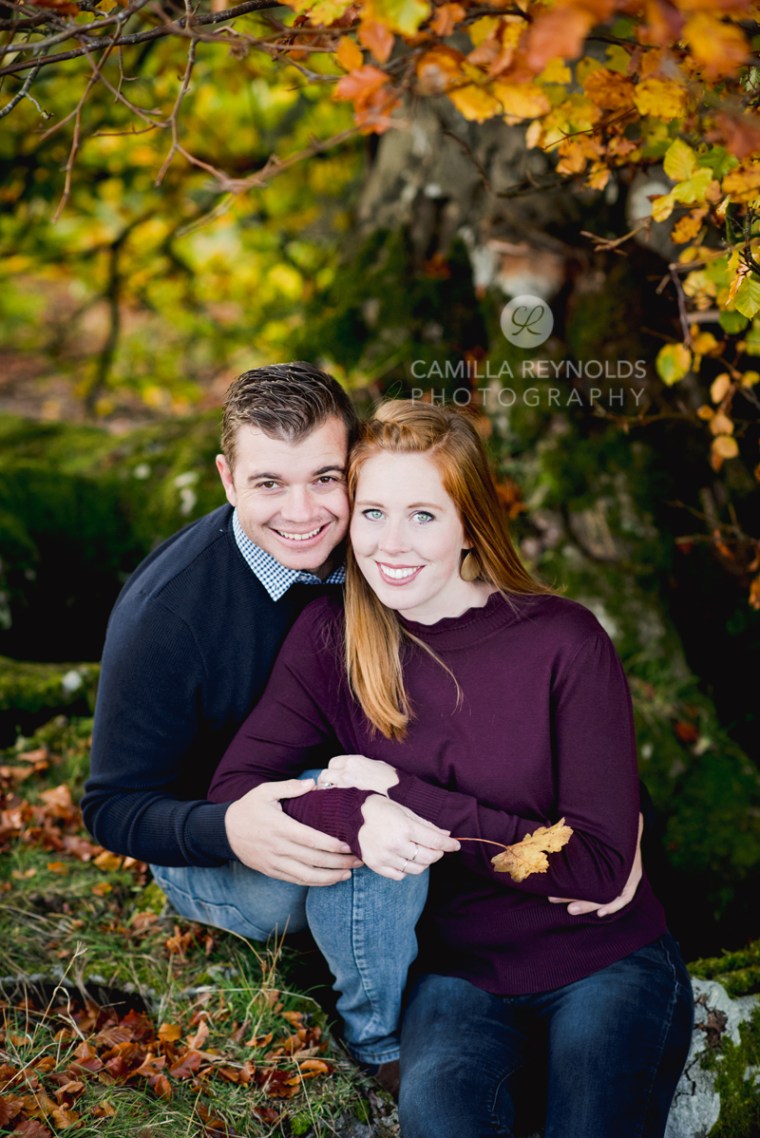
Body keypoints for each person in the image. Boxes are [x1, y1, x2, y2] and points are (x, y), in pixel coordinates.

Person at [209, 399, 693, 1137]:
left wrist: (401, 793)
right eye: (371, 513)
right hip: (457, 976)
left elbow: (595, 864)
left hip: (604, 961)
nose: (389, 544)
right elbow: (238, 795)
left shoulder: (563, 641)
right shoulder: (332, 640)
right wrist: (354, 811)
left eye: (423, 516)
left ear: (471, 526)